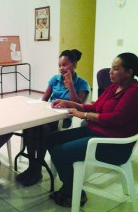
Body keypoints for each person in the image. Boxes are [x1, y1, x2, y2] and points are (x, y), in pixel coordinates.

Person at [47, 52, 138, 208]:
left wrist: (84, 115)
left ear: (129, 72)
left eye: (116, 69)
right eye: (111, 67)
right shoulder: (113, 87)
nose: (110, 72)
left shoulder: (134, 91)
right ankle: (71, 185)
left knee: (59, 151)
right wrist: (72, 104)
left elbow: (116, 119)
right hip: (96, 132)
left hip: (113, 144)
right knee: (52, 139)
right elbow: (96, 106)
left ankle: (72, 191)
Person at [15, 49, 90, 187]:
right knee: (31, 127)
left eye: (65, 65)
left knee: (43, 129)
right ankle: (32, 166)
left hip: (63, 118)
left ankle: (37, 169)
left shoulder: (82, 84)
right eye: (60, 65)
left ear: (73, 64)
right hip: (48, 113)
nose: (62, 68)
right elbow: (44, 99)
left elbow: (78, 105)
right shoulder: (55, 79)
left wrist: (71, 84)